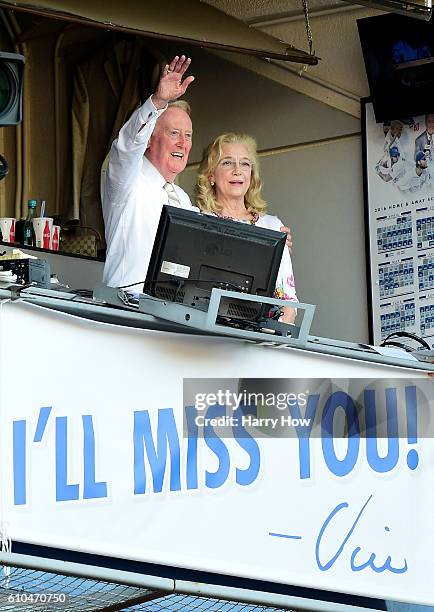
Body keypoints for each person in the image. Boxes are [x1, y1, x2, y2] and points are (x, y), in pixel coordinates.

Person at [102, 54, 292, 290]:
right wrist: (158, 102)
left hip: (168, 316)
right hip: (126, 310)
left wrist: (268, 241)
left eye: (188, 136)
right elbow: (127, 145)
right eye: (174, 134)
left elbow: (214, 246)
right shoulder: (128, 178)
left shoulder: (182, 199)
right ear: (150, 138)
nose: (183, 143)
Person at [195, 132, 297, 324]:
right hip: (207, 336)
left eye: (245, 163)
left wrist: (271, 338)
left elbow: (288, 300)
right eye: (227, 162)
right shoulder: (198, 221)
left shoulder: (273, 226)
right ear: (211, 175)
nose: (237, 170)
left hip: (262, 340)